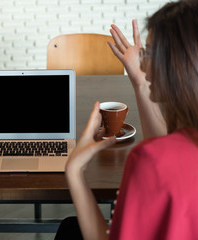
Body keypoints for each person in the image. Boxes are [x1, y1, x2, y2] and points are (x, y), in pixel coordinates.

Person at [57, 1, 198, 239]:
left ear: (178, 64)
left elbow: (162, 160)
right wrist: (140, 81)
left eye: (149, 53)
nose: (143, 62)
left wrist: (74, 170)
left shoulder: (148, 160)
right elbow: (171, 154)